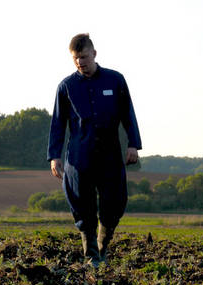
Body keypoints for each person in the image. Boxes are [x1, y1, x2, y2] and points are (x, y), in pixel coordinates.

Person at [47, 33, 142, 267]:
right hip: (79, 157)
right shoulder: (66, 87)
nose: (80, 62)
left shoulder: (115, 80)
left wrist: (133, 144)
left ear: (94, 54)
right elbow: (58, 123)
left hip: (110, 154)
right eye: (75, 59)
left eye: (84, 57)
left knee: (114, 202)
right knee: (82, 204)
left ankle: (103, 245)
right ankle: (92, 257)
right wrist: (54, 156)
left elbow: (127, 113)